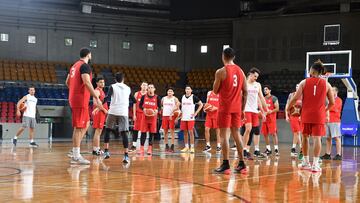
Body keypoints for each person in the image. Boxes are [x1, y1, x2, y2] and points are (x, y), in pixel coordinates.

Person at [287, 60, 334, 172]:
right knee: (317, 139)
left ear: (312, 70)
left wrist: (289, 107)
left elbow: (295, 98)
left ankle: (306, 162)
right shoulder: (327, 84)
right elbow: (332, 102)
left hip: (306, 114)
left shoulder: (304, 82)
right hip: (319, 115)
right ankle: (316, 165)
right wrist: (324, 110)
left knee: (305, 137)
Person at [213, 47, 247, 174]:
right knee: (237, 134)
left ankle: (226, 164)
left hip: (225, 107)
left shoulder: (221, 71)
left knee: (223, 136)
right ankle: (242, 163)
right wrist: (242, 109)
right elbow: (246, 92)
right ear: (234, 57)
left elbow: (215, 90)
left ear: (223, 56)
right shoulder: (241, 71)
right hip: (237, 108)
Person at [66, 47, 101, 165]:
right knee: (79, 127)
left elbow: (67, 82)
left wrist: (74, 90)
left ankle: (75, 150)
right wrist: (96, 97)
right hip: (79, 100)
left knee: (86, 124)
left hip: (76, 98)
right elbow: (86, 82)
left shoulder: (74, 66)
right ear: (89, 55)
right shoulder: (85, 66)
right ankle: (76, 155)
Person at [101, 72, 133, 163]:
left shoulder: (112, 86)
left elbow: (107, 98)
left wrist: (100, 105)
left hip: (113, 111)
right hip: (123, 112)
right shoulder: (128, 88)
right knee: (124, 133)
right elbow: (133, 100)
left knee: (107, 130)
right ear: (123, 79)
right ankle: (126, 156)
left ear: (115, 79)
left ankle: (106, 152)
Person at [243, 68, 268, 159]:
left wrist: (265, 110)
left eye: (257, 77)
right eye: (255, 76)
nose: (256, 78)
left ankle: (256, 150)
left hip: (254, 110)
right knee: (248, 129)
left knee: (256, 130)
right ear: (250, 74)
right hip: (246, 110)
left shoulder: (258, 85)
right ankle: (244, 149)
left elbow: (261, 98)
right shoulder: (244, 84)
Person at [321, 86, 343, 160]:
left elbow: (334, 108)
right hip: (327, 121)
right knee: (328, 138)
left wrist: (326, 108)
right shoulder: (328, 100)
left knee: (337, 137)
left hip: (335, 121)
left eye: (332, 90)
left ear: (336, 92)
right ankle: (328, 154)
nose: (330, 91)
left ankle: (339, 154)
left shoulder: (339, 100)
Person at [139, 84, 161, 156]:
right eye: (149, 88)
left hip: (153, 118)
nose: (150, 89)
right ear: (147, 89)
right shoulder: (143, 97)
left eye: (151, 87)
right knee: (143, 133)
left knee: (151, 133)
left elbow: (160, 107)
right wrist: (143, 109)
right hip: (145, 117)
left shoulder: (157, 97)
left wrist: (157, 111)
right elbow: (140, 105)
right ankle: (141, 148)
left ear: (154, 89)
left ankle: (150, 148)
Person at [180, 86, 203, 154]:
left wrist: (196, 113)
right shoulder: (182, 97)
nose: (187, 90)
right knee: (185, 133)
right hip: (183, 117)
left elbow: (201, 104)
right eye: (186, 89)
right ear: (185, 90)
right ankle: (186, 147)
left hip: (190, 118)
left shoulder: (193, 97)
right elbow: (182, 106)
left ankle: (192, 147)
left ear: (191, 90)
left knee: (191, 132)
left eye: (189, 89)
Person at [91, 77, 108, 156]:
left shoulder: (101, 91)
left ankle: (96, 149)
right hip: (99, 113)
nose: (102, 84)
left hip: (101, 113)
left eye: (103, 82)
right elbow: (95, 102)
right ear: (97, 83)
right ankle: (96, 149)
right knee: (98, 132)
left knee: (99, 132)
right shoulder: (97, 91)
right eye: (100, 82)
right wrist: (104, 110)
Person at [285, 84, 303, 158]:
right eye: (296, 86)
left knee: (297, 133)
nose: (297, 88)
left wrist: (302, 116)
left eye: (298, 87)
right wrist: (286, 115)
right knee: (297, 132)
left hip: (301, 116)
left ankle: (293, 148)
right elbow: (287, 105)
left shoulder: (303, 95)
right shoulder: (291, 95)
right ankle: (302, 148)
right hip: (293, 116)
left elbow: (305, 106)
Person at [261, 85, 280, 156]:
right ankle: (268, 149)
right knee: (265, 134)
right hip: (265, 119)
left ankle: (276, 149)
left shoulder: (274, 98)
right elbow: (261, 108)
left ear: (270, 90)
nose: (265, 91)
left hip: (271, 119)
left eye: (266, 89)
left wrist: (270, 111)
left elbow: (277, 108)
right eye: (264, 90)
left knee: (273, 134)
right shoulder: (263, 98)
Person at [130, 82, 148, 152]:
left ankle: (142, 146)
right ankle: (134, 145)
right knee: (136, 129)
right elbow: (134, 105)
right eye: (143, 85)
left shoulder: (148, 94)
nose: (144, 86)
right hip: (137, 113)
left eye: (146, 85)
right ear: (141, 86)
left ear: (147, 87)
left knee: (144, 130)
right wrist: (134, 114)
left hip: (145, 114)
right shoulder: (137, 94)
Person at [161, 87, 180, 153]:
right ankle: (166, 145)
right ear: (167, 92)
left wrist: (174, 113)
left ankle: (172, 145)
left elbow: (178, 106)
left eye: (171, 91)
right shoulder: (163, 98)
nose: (169, 92)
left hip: (171, 116)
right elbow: (161, 106)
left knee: (172, 131)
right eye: (168, 91)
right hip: (164, 116)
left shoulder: (175, 98)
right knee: (165, 131)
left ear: (173, 93)